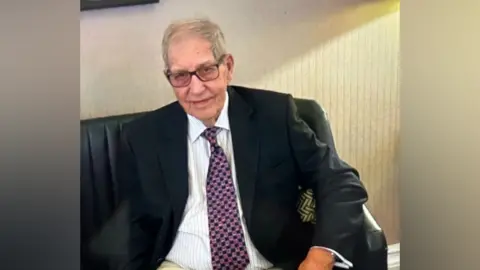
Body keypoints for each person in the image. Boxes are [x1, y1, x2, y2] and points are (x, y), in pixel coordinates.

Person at [117, 18, 368, 270]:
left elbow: (339, 180)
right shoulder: (144, 137)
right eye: (181, 76)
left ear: (228, 67)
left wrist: (321, 254)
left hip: (270, 263)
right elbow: (134, 227)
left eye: (206, 70)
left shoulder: (274, 115)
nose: (196, 89)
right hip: (181, 265)